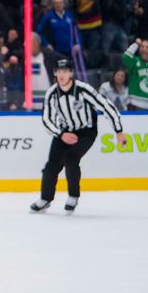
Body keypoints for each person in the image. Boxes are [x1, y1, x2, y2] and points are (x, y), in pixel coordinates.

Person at [31, 59, 126, 214]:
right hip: (64, 132)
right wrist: (61, 134)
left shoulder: (83, 89)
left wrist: (118, 130)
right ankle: (45, 199)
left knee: (71, 159)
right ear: (55, 73)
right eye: (59, 71)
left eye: (65, 71)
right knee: (51, 165)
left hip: (86, 132)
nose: (62, 75)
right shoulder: (52, 93)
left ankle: (73, 196)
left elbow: (106, 106)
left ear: (71, 73)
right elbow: (46, 119)